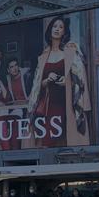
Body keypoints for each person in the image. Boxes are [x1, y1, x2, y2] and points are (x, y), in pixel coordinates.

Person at [28, 17, 92, 147]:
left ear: (64, 32)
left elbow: (80, 79)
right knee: (48, 141)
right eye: (54, 26)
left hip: (68, 104)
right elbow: (37, 85)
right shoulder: (43, 56)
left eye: (60, 27)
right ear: (50, 29)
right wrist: (47, 80)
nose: (57, 29)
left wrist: (67, 82)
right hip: (48, 106)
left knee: (67, 142)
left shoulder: (71, 52)